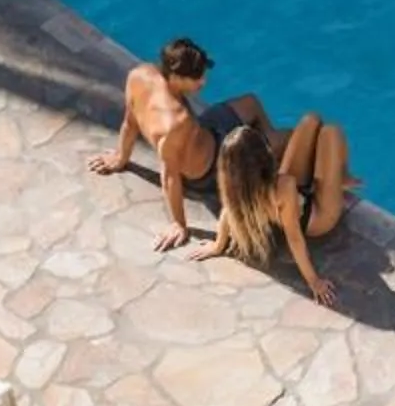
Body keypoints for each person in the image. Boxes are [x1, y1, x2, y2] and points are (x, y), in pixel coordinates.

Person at [88, 38, 268, 251]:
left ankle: (266, 149)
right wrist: (179, 224)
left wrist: (121, 158)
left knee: (251, 102)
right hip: (213, 165)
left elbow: (130, 121)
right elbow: (170, 175)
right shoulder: (176, 122)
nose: (203, 82)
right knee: (273, 137)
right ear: (175, 76)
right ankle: (270, 158)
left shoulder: (139, 75)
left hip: (207, 130)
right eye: (197, 78)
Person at [194, 113, 357, 308]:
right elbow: (295, 238)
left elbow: (227, 213)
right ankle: (339, 178)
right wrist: (314, 281)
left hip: (291, 200)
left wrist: (218, 246)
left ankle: (328, 176)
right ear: (263, 154)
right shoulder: (284, 186)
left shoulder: (235, 187)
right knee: (331, 132)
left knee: (310, 121)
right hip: (316, 218)